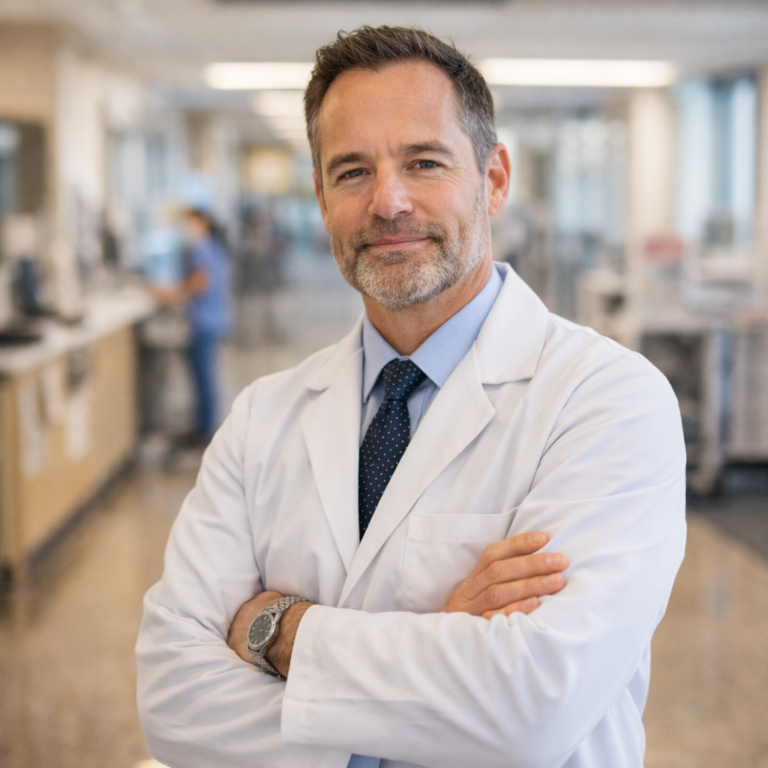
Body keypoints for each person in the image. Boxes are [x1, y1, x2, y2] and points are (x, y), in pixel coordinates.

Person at [136, 26, 686, 768]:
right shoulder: (262, 416)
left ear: (493, 179)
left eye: (423, 162)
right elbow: (172, 701)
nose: (388, 202)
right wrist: (442, 656)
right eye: (352, 171)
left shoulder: (608, 402)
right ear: (323, 199)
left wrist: (281, 628)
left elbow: (531, 710)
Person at [153, 208, 233, 444]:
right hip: (212, 320)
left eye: (190, 223)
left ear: (202, 223)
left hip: (204, 322)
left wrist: (171, 295)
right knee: (205, 379)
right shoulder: (213, 249)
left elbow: (200, 283)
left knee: (204, 380)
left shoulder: (202, 249)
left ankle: (205, 432)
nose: (186, 228)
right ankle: (203, 428)